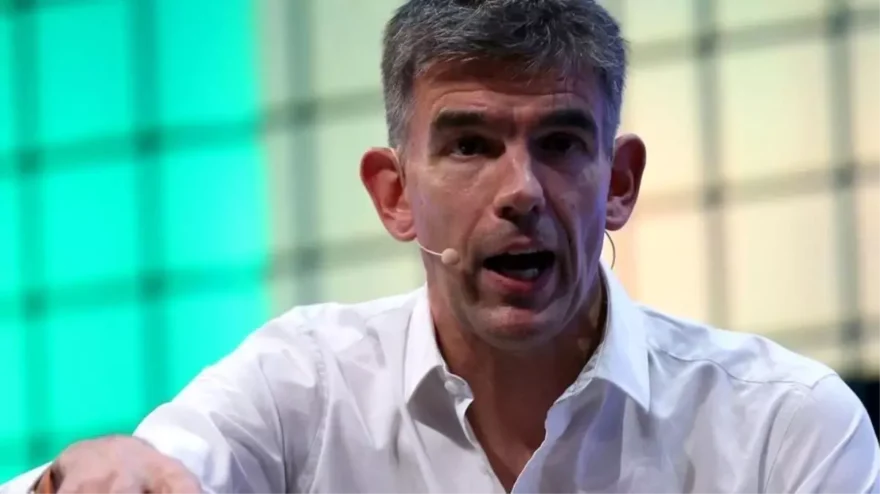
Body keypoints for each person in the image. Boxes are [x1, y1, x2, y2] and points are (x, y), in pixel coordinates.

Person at [4, 0, 879, 492]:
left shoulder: (784, 429)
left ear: (617, 184)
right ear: (395, 195)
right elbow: (156, 473)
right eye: (469, 145)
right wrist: (85, 476)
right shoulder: (299, 389)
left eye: (561, 142)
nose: (521, 190)